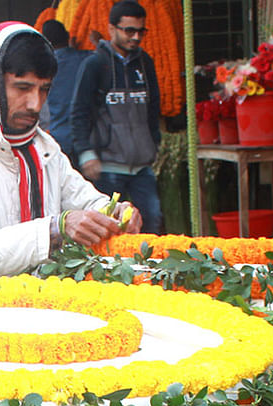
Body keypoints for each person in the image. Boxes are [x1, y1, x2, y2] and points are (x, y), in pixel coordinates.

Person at [0, 22, 140, 280]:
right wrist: (54, 229)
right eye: (22, 88)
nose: (35, 104)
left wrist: (113, 212)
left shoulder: (45, 149)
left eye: (44, 89)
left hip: (43, 305)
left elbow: (84, 200)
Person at [69, 0, 163, 233]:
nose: (136, 37)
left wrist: (154, 143)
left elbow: (154, 109)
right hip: (106, 166)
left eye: (141, 31)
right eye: (129, 30)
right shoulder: (95, 64)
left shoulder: (145, 63)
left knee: (152, 222)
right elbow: (79, 112)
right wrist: (87, 154)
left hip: (142, 166)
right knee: (109, 230)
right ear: (112, 29)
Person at [38, 20, 92, 164]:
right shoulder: (85, 59)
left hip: (59, 139)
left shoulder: (43, 68)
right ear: (68, 36)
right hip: (88, 140)